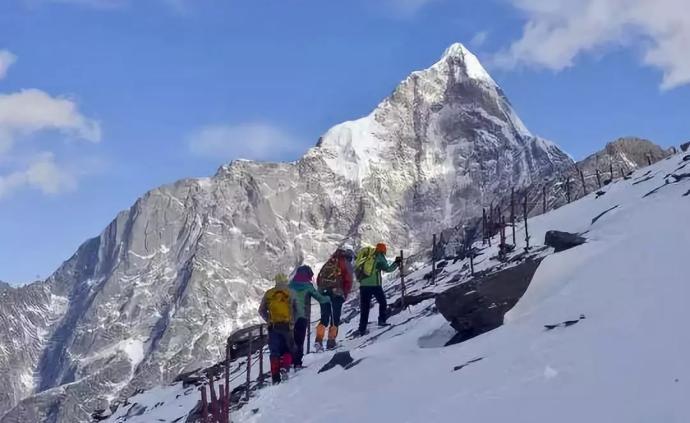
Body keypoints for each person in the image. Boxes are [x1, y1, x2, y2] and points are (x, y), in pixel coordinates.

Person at [288, 265, 330, 368]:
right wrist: (329, 298)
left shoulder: (290, 285)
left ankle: (289, 363)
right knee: (300, 340)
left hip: (288, 318)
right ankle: (297, 364)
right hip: (302, 316)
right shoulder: (308, 286)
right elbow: (320, 298)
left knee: (291, 340)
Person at [258, 273, 295, 384]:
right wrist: (293, 322)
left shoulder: (269, 293)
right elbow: (296, 308)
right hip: (287, 326)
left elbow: (261, 310)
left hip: (273, 327)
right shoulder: (291, 293)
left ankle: (275, 377)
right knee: (288, 349)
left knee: (274, 352)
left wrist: (268, 320)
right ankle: (285, 368)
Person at [315, 247, 355, 351]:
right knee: (334, 319)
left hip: (323, 292)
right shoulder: (345, 262)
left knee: (324, 317)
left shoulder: (330, 262)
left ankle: (318, 340)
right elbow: (349, 280)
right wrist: (344, 294)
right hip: (336, 293)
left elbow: (319, 279)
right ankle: (331, 341)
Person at [357, 243, 401, 336]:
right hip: (375, 285)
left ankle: (362, 329)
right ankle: (381, 320)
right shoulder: (379, 257)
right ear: (383, 250)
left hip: (363, 285)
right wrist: (396, 263)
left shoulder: (369, 256)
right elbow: (388, 269)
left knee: (365, 308)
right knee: (383, 302)